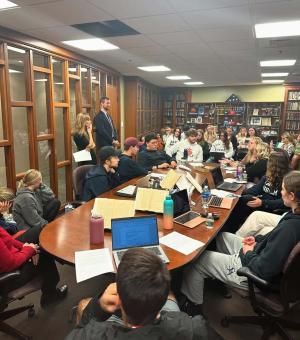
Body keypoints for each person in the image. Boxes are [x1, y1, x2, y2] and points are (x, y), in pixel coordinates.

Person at [180, 171, 300, 316]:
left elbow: (264, 269)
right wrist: (257, 240)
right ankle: (216, 279)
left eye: (283, 189)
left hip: (253, 272)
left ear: (292, 196)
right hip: (258, 254)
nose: (280, 192)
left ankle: (193, 309)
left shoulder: (290, 229)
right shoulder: (293, 218)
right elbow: (273, 241)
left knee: (197, 261)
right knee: (221, 237)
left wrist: (248, 252)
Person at [66, 248, 211, 340]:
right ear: (162, 300)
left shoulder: (93, 334)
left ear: (120, 300)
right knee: (172, 297)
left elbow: (80, 331)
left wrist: (97, 308)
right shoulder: (193, 327)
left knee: (83, 304)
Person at [0, 215, 67, 308]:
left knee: (39, 231)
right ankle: (50, 296)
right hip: (6, 279)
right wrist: (30, 251)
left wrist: (26, 246)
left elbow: (7, 239)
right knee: (43, 253)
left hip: (9, 256)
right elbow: (10, 263)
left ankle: (61, 256)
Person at [223, 151, 290, 233]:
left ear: (275, 164)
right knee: (240, 199)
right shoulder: (268, 176)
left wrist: (263, 202)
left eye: (269, 161)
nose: (267, 163)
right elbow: (255, 190)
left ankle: (229, 230)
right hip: (262, 202)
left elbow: (284, 202)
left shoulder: (287, 180)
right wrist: (237, 193)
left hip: (272, 208)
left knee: (242, 201)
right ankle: (229, 228)